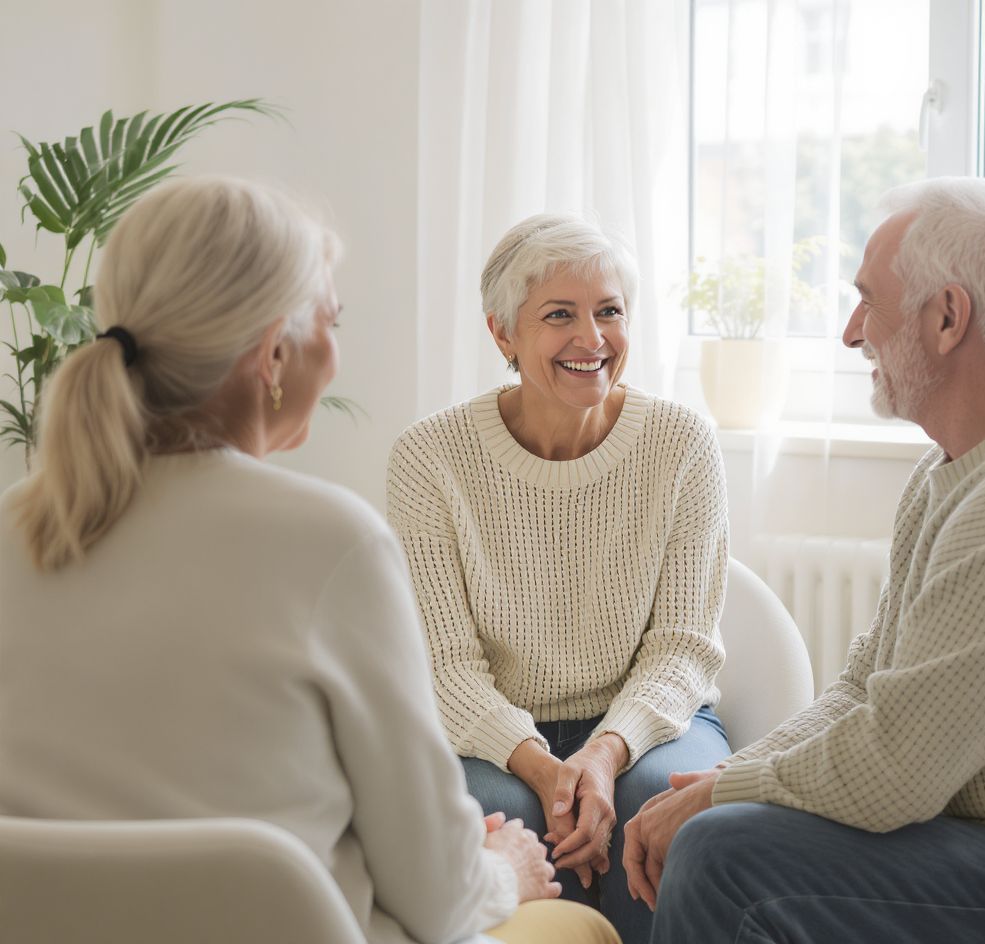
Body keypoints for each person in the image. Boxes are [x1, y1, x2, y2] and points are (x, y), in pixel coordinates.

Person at [0, 177, 619, 944]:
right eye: (334, 317)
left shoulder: (15, 529)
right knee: (575, 929)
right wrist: (503, 866)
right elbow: (442, 899)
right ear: (274, 356)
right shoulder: (330, 545)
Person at [625, 177, 985, 944]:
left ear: (947, 317)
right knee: (721, 826)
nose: (852, 332)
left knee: (723, 857)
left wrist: (721, 795)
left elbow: (894, 770)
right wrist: (722, 783)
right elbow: (860, 689)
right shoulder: (963, 464)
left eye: (869, 301)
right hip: (971, 834)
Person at [386, 213, 732, 943]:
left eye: (609, 311)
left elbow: (683, 647)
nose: (592, 338)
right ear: (503, 333)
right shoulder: (428, 458)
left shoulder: (682, 444)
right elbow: (443, 666)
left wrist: (605, 754)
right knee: (496, 829)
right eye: (559, 316)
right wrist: (547, 771)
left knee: (668, 819)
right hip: (486, 734)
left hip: (652, 723)